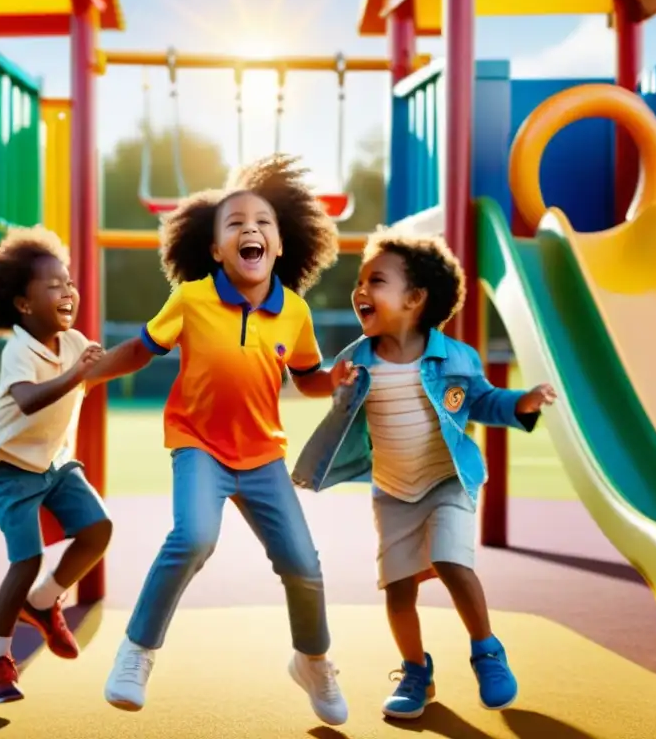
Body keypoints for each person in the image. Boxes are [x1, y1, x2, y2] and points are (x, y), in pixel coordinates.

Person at [89, 155, 354, 726]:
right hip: (198, 445)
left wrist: (332, 381)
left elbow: (307, 378)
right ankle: (137, 652)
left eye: (262, 222)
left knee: (303, 565)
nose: (248, 229)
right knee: (193, 538)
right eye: (233, 224)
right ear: (215, 250)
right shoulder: (191, 298)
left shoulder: (296, 313)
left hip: (263, 456)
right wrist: (90, 373)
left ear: (280, 244)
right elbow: (141, 349)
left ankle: (313, 661)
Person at [293, 226, 556, 719]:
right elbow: (334, 407)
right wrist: (326, 386)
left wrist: (521, 402)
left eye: (377, 282)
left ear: (414, 298)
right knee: (397, 590)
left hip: (445, 481)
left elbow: (482, 401)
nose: (360, 291)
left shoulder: (455, 358)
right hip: (392, 491)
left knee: (454, 564)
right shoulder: (356, 359)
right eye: (361, 281)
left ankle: (486, 651)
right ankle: (416, 670)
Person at [0, 227, 119, 703]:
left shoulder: (73, 343)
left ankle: (45, 600)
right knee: (26, 558)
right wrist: (77, 375)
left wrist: (162, 340)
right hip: (9, 470)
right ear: (24, 305)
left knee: (98, 530)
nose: (67, 290)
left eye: (68, 282)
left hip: (54, 464)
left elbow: (110, 364)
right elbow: (28, 400)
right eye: (53, 285)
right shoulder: (19, 350)